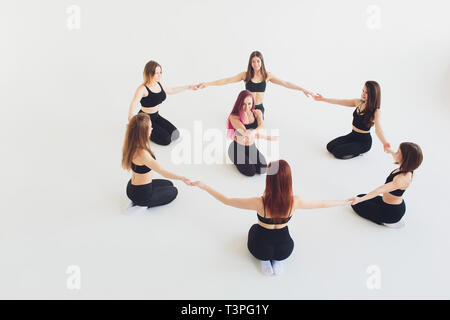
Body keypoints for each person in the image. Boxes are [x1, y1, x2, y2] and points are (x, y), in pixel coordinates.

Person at [192, 160, 352, 276]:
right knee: (280, 244)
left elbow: (227, 200)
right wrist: (344, 202)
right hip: (286, 249)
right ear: (288, 181)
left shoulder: (259, 203)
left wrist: (204, 186)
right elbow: (322, 204)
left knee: (255, 229)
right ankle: (278, 260)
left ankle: (264, 260)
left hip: (260, 248)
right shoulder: (294, 202)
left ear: (269, 180)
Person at [197, 51, 312, 117]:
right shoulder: (245, 75)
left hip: (258, 107)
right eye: (253, 61)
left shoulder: (267, 75)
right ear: (250, 63)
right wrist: (208, 83)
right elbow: (227, 80)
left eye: (258, 61)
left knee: (258, 121)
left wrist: (302, 89)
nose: (256, 63)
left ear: (261, 62)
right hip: (246, 107)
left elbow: (285, 83)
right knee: (244, 124)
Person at [122, 113, 192, 208]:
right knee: (174, 191)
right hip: (142, 195)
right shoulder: (142, 154)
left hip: (132, 187)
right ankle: (140, 205)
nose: (152, 129)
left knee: (169, 184)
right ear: (143, 131)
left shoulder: (132, 143)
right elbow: (163, 172)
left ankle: (138, 199)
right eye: (150, 127)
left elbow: (133, 123)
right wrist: (182, 178)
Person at [351, 142, 423, 227]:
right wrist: (390, 151)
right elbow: (396, 156)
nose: (395, 153)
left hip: (391, 212)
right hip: (387, 203)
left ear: (405, 158)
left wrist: (360, 200)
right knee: (360, 196)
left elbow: (380, 190)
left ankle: (386, 221)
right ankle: (382, 215)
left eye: (398, 152)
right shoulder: (408, 168)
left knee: (356, 204)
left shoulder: (401, 179)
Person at [313, 81, 391, 159]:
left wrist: (384, 143)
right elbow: (340, 101)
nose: (363, 94)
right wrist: (323, 99)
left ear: (373, 94)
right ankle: (353, 148)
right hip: (353, 135)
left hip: (363, 142)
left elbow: (378, 129)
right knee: (330, 147)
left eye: (366, 92)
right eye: (363, 91)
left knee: (337, 152)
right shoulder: (358, 102)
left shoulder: (375, 111)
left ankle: (358, 152)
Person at [128, 60, 197, 146]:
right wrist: (131, 116)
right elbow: (134, 102)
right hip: (145, 119)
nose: (159, 75)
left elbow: (170, 90)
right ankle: (141, 130)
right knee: (166, 140)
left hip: (156, 116)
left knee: (175, 135)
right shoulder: (142, 89)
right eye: (157, 73)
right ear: (149, 73)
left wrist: (188, 87)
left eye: (160, 72)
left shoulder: (158, 83)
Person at [227, 90, 277, 176]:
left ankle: (247, 158)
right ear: (239, 103)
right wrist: (265, 137)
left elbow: (261, 126)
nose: (247, 107)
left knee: (263, 168)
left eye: (249, 104)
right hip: (236, 149)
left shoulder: (257, 113)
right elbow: (245, 132)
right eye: (243, 104)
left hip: (251, 147)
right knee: (251, 172)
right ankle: (236, 159)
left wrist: (254, 132)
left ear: (253, 103)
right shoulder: (234, 117)